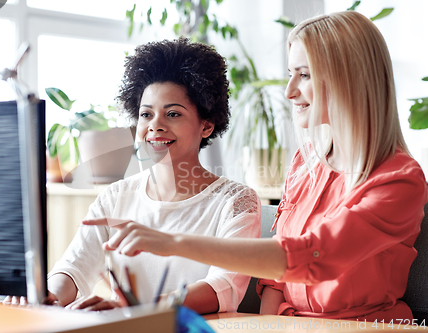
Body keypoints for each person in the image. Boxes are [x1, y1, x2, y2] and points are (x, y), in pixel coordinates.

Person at [85, 11, 428, 321]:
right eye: (291, 75)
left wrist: (173, 241)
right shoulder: (306, 165)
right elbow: (275, 281)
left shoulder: (400, 181)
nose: (290, 91)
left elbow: (308, 256)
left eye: (304, 75)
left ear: (351, 79)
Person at [47, 37, 262, 314]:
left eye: (172, 114)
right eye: (146, 114)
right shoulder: (116, 196)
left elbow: (221, 287)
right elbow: (72, 268)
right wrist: (49, 297)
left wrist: (137, 309)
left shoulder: (236, 201)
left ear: (206, 126)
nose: (155, 126)